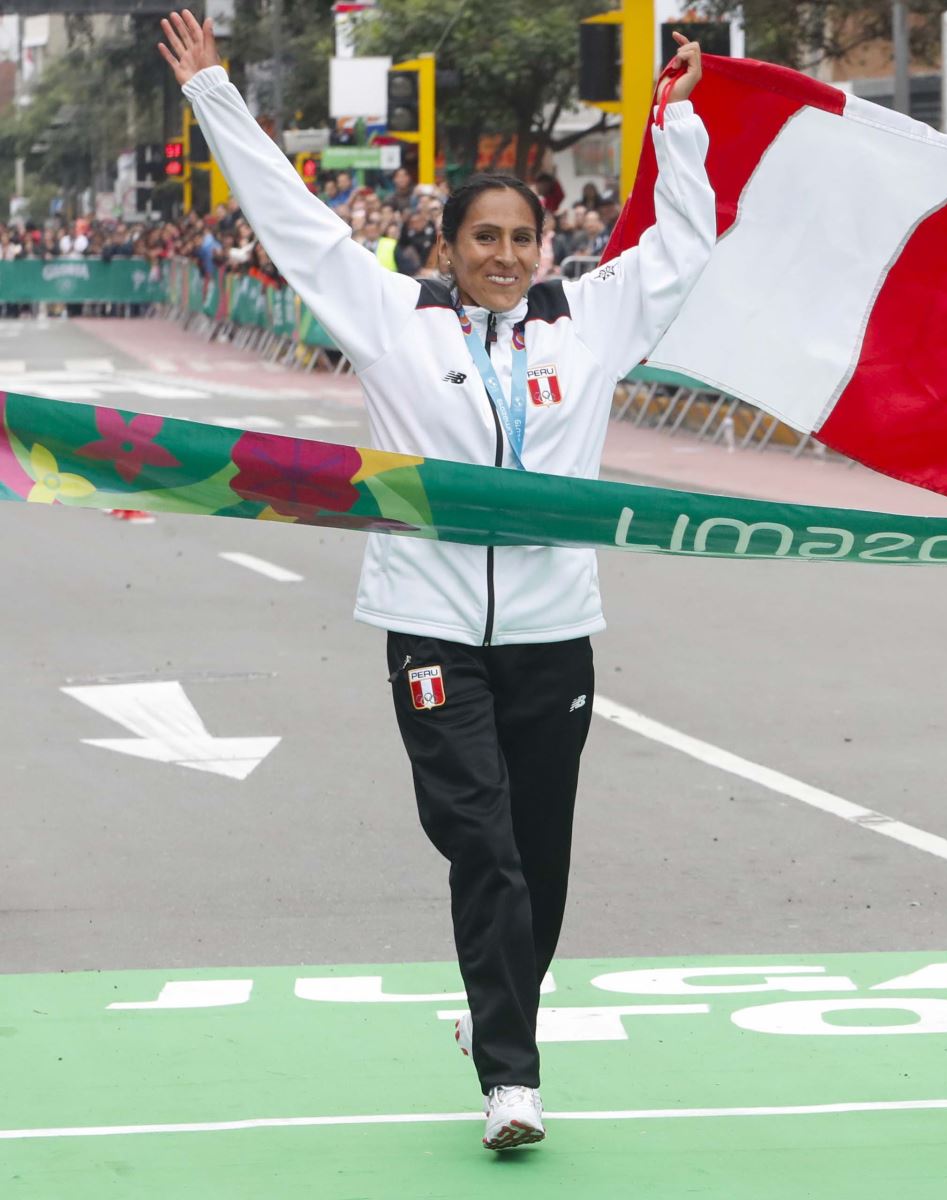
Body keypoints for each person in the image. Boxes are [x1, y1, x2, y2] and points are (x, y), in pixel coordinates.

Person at [160, 8, 716, 1151]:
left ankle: (493, 1011)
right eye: (484, 238)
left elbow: (685, 248)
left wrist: (684, 121)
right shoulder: (394, 322)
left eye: (523, 238)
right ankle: (512, 1078)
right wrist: (215, 93)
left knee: (540, 861)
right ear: (447, 246)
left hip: (554, 635)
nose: (505, 255)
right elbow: (298, 227)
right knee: (484, 846)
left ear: (544, 248)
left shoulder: (590, 325)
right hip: (430, 631)